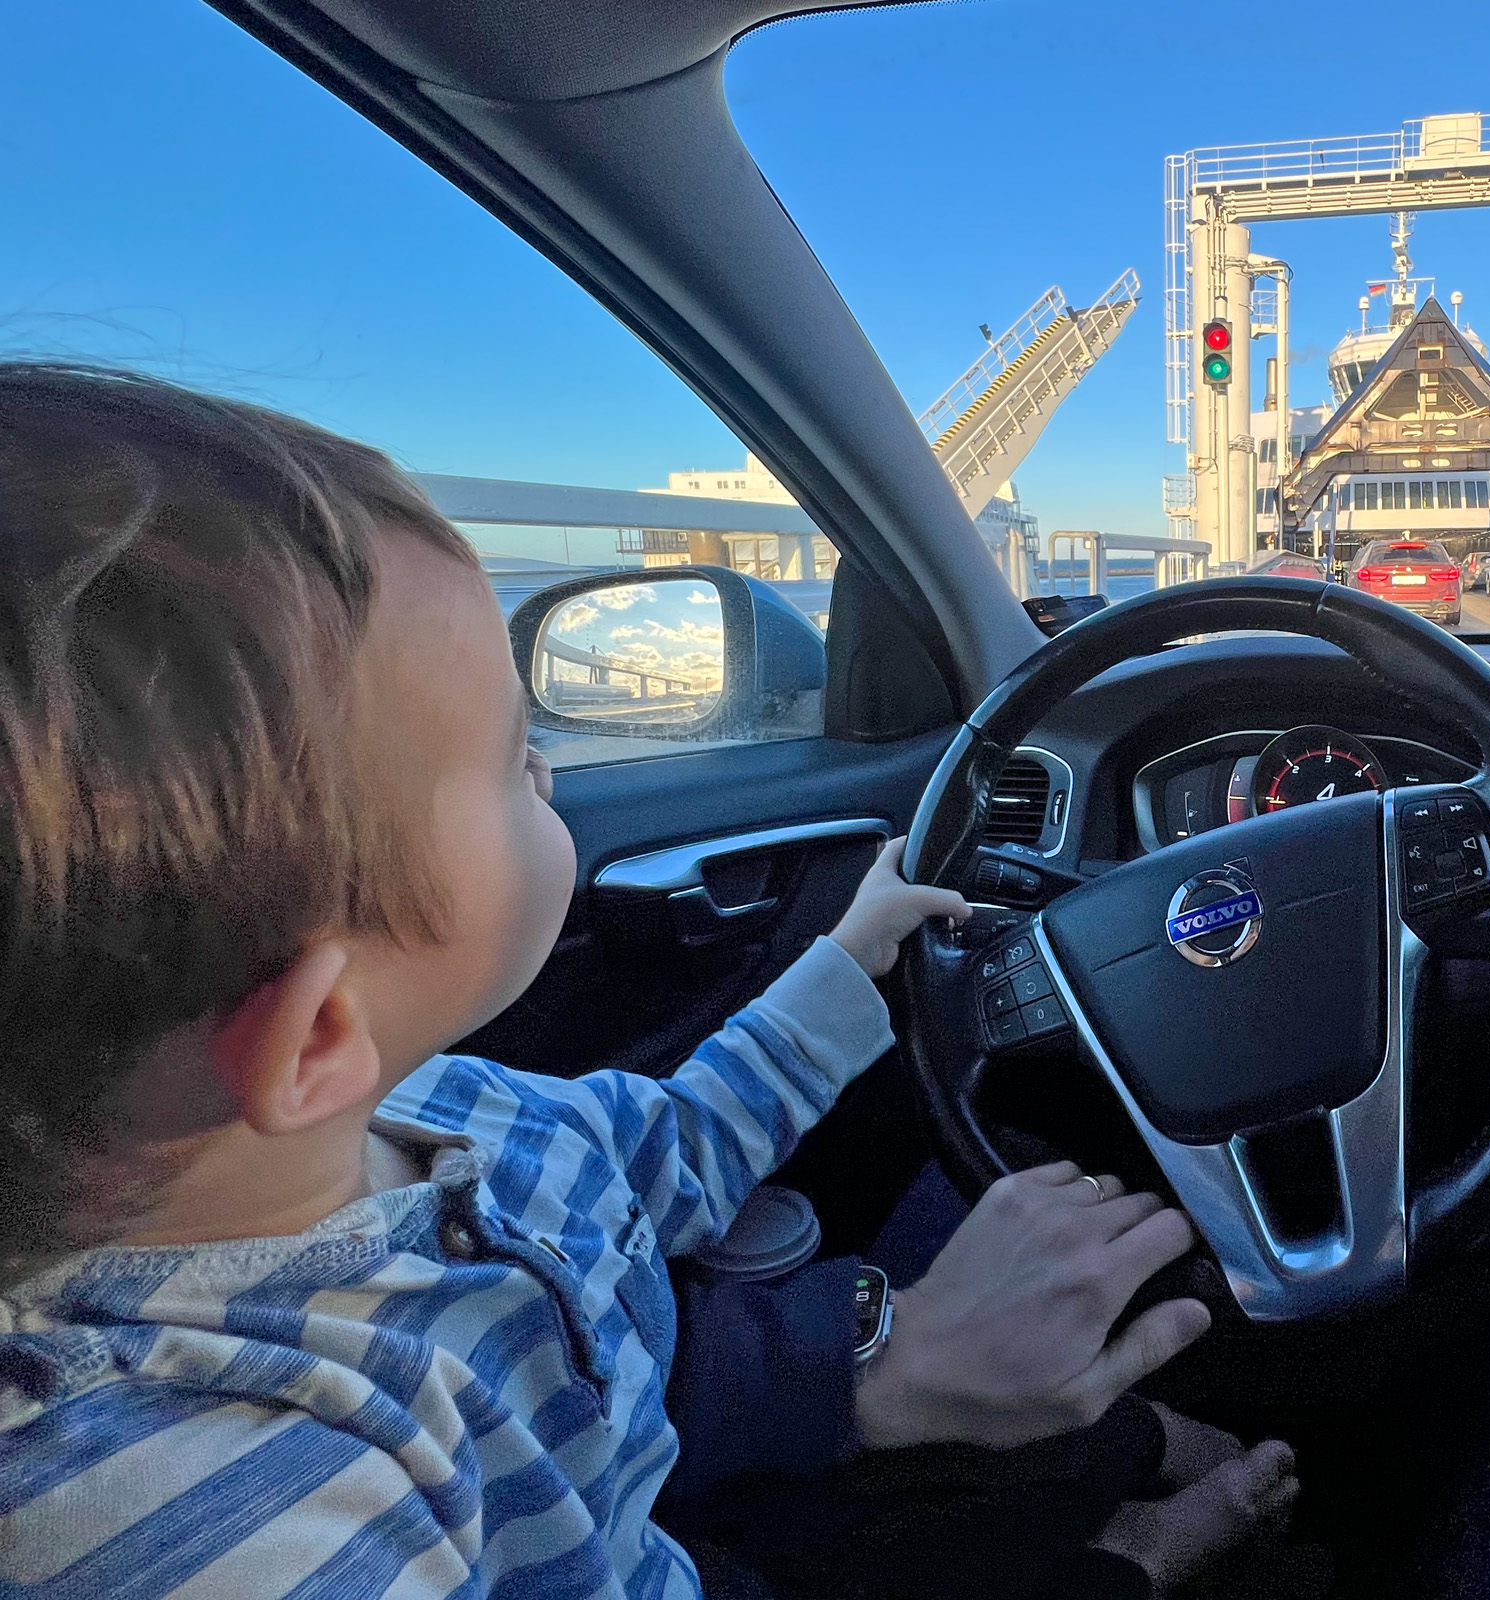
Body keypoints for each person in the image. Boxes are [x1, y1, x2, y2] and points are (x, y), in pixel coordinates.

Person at [0, 364, 1295, 1598]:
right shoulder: (210, 1514)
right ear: (320, 1037)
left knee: (1018, 1471)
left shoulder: (445, 1111)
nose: (548, 773)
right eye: (515, 757)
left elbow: (675, 1142)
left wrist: (852, 956)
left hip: (660, 1511)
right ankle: (1134, 1559)